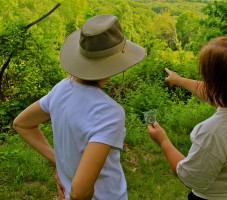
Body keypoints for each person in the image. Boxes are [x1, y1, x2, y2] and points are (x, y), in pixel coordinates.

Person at [13, 14, 145, 200]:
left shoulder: (61, 89)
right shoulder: (109, 113)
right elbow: (80, 192)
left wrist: (59, 162)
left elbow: (22, 124)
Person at [147, 36, 227, 200]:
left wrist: (163, 141)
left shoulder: (213, 133)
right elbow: (218, 94)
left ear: (216, 83)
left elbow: (190, 177)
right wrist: (179, 80)